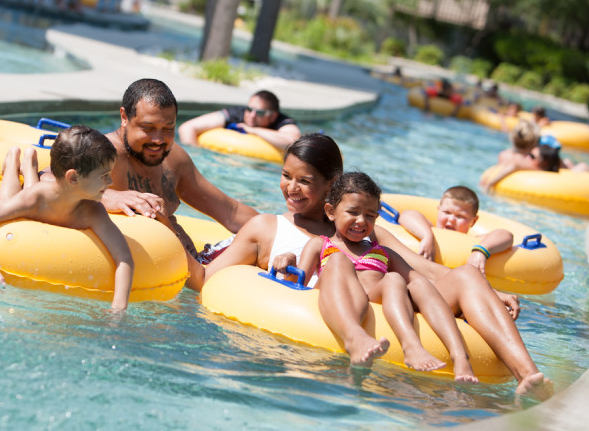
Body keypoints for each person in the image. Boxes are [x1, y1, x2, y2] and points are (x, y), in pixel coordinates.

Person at [192, 133, 552, 398]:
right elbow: (209, 279)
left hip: (391, 301)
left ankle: (528, 377)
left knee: (469, 276)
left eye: (305, 181)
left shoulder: (366, 229)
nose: (291, 188)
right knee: (338, 267)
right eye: (287, 176)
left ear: (333, 185)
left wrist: (490, 289)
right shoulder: (267, 229)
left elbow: (421, 271)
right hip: (334, 315)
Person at [298, 172, 479, 381]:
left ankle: (417, 347)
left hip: (373, 298)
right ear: (331, 211)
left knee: (397, 279)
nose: (361, 221)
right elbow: (297, 287)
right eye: (353, 212)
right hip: (339, 300)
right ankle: (355, 339)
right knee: (339, 260)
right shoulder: (320, 245)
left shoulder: (382, 252)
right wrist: (284, 263)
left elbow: (422, 281)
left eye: (370, 215)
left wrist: (468, 296)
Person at [100, 78, 259, 289]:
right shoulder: (103, 152)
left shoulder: (173, 159)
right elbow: (49, 179)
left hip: (189, 272)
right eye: (148, 128)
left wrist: (280, 232)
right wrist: (110, 196)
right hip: (148, 280)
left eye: (168, 128)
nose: (158, 140)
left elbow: (231, 212)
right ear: (124, 117)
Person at [0, 126, 135, 310]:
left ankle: (30, 165)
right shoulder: (34, 199)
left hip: (52, 193)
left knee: (29, 191)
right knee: (11, 200)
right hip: (38, 196)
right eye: (104, 176)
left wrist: (118, 308)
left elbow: (124, 257)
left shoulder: (93, 211)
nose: (111, 182)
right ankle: (13, 161)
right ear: (74, 178)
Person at [397, 186, 513, 275]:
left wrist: (481, 251)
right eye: (447, 213)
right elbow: (407, 215)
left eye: (460, 216)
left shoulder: (474, 242)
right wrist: (427, 236)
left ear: (474, 221)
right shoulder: (429, 229)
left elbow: (506, 235)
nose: (451, 219)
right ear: (438, 210)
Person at [178, 90, 301, 151]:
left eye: (260, 113)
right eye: (249, 109)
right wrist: (195, 156)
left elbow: (293, 143)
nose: (252, 115)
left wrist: (253, 131)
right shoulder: (237, 114)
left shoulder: (282, 122)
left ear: (273, 116)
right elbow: (187, 127)